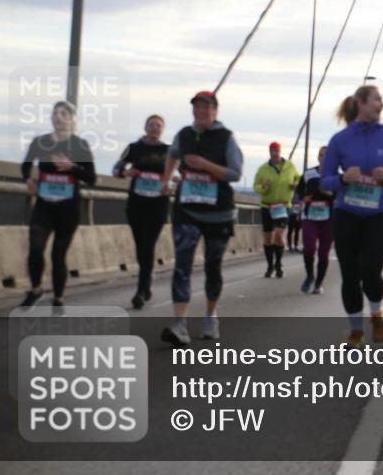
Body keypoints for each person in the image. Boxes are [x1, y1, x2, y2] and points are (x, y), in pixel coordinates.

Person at [320, 85, 383, 348]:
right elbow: (325, 182)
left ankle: (377, 314)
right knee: (349, 275)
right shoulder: (340, 140)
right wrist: (342, 179)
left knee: (370, 271)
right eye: (376, 100)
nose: (381, 105)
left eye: (381, 100)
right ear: (360, 103)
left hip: (380, 214)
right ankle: (356, 330)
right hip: (347, 213)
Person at [160, 91, 243, 347]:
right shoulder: (184, 134)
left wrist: (206, 165)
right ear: (193, 111)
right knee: (182, 266)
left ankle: (210, 315)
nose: (202, 112)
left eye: (207, 108)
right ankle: (180, 324)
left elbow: (235, 173)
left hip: (219, 213)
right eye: (197, 108)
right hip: (187, 210)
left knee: (212, 266)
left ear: (215, 111)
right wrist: (166, 179)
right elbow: (172, 154)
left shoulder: (226, 137)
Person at [20, 101, 97, 307]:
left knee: (58, 254)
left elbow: (91, 178)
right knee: (36, 248)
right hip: (44, 205)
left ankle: (58, 297)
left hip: (68, 208)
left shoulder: (80, 145)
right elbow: (26, 164)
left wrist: (72, 167)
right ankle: (36, 289)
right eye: (55, 113)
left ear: (72, 119)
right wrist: (28, 179)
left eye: (64, 113)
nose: (58, 116)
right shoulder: (40, 142)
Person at [113, 114, 169, 309]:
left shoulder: (168, 151)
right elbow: (116, 169)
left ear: (162, 129)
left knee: (149, 245)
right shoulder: (133, 148)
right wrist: (126, 172)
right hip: (137, 203)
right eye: (151, 124)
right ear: (145, 127)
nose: (154, 128)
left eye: (158, 125)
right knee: (141, 246)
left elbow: (176, 173)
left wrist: (173, 181)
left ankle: (140, 290)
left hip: (158, 204)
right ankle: (146, 283)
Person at [253, 141, 300, 278]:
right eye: (272, 151)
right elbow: (256, 187)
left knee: (279, 234)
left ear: (280, 151)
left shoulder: (290, 166)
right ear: (269, 152)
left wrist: (296, 184)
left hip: (284, 206)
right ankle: (270, 266)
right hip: (267, 206)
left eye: (277, 151)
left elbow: (299, 178)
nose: (274, 153)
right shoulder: (263, 169)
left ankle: (279, 264)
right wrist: (263, 186)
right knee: (268, 238)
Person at [296, 146, 335, 294]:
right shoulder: (308, 174)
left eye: (327, 155)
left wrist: (329, 194)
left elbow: (340, 196)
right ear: (318, 157)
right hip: (310, 216)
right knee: (309, 248)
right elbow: (299, 189)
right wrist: (303, 198)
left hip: (328, 219)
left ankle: (319, 283)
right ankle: (310, 276)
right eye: (321, 155)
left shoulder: (336, 176)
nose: (324, 158)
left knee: (323, 253)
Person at [287, 188, 303, 252]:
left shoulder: (300, 194)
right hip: (291, 214)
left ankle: (296, 246)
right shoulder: (289, 193)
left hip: (298, 214)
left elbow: (301, 204)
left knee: (297, 231)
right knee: (290, 231)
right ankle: (290, 246)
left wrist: (299, 214)